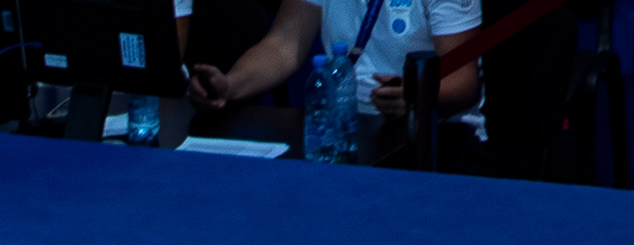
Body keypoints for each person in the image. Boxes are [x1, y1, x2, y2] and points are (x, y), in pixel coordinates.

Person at [188, 0, 479, 146]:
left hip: (437, 136)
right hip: (348, 129)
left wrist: (415, 95)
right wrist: (230, 85)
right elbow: (283, 45)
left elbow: (463, 82)